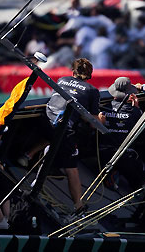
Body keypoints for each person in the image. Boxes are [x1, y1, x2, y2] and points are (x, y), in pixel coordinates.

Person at [45, 58, 106, 211]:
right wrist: (102, 119)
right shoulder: (92, 91)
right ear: (89, 75)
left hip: (45, 122)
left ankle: (27, 155)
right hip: (63, 128)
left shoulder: (62, 79)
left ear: (73, 72)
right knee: (72, 168)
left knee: (52, 141)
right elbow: (92, 121)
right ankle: (78, 205)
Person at [100, 77, 145, 189]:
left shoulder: (103, 108)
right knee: (143, 175)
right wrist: (137, 108)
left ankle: (112, 173)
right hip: (125, 155)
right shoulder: (134, 111)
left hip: (104, 152)